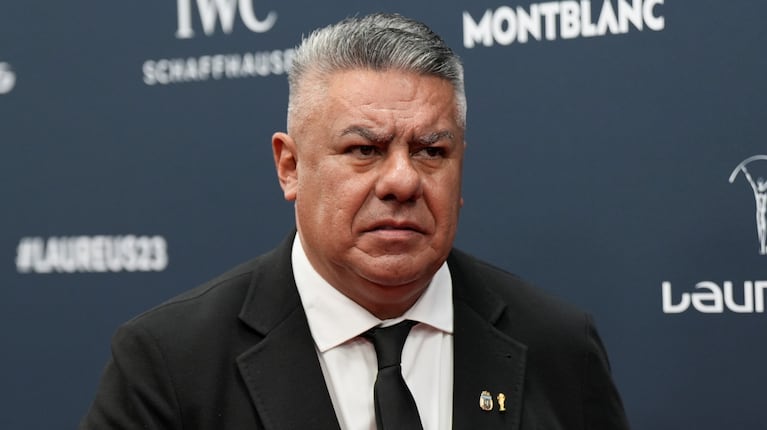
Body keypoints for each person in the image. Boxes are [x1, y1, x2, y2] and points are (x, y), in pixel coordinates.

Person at [81, 13, 630, 430]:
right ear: (290, 167)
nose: (402, 182)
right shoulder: (169, 363)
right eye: (365, 149)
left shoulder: (559, 345)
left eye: (431, 151)